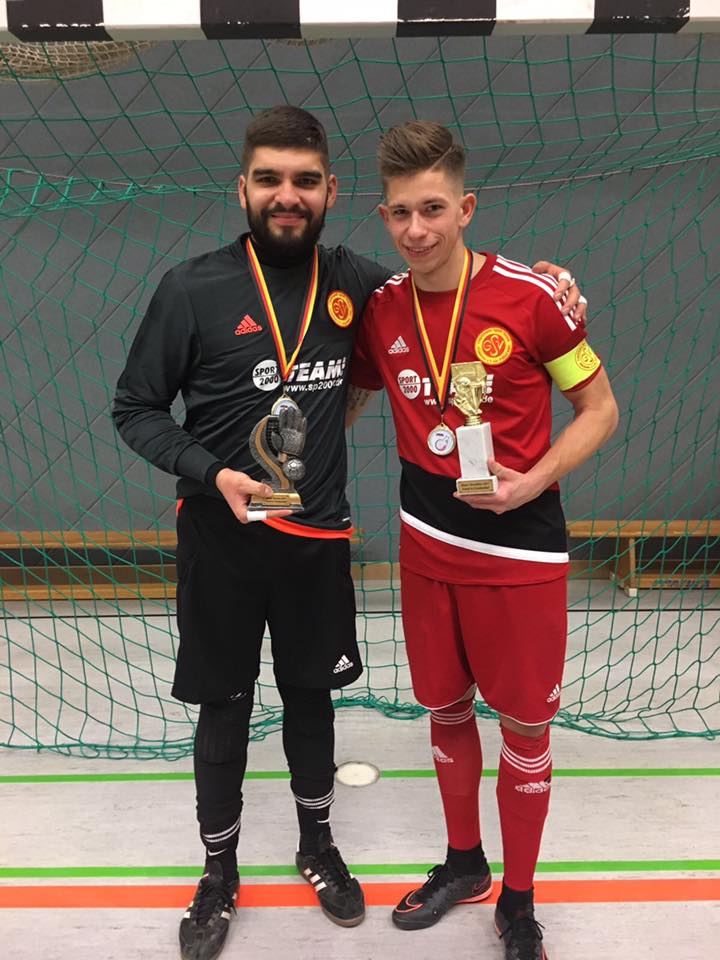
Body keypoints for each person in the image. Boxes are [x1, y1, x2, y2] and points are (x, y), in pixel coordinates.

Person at [112, 105, 587, 960]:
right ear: (244, 188)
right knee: (223, 708)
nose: (286, 195)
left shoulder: (363, 284)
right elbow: (135, 407)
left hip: (319, 540)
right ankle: (217, 874)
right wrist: (211, 472)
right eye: (269, 179)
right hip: (223, 538)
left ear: (330, 192)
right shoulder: (192, 288)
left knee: (311, 700)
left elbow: (450, 278)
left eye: (303, 181)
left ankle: (319, 848)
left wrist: (555, 287)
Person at [347, 121, 618, 960]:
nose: (417, 229)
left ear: (466, 207)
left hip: (520, 550)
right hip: (426, 544)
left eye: (433, 209)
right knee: (446, 710)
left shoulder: (532, 298)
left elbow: (601, 409)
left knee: (526, 730)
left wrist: (533, 480)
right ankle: (465, 863)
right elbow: (350, 395)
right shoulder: (383, 308)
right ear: (383, 216)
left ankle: (521, 901)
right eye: (400, 213)